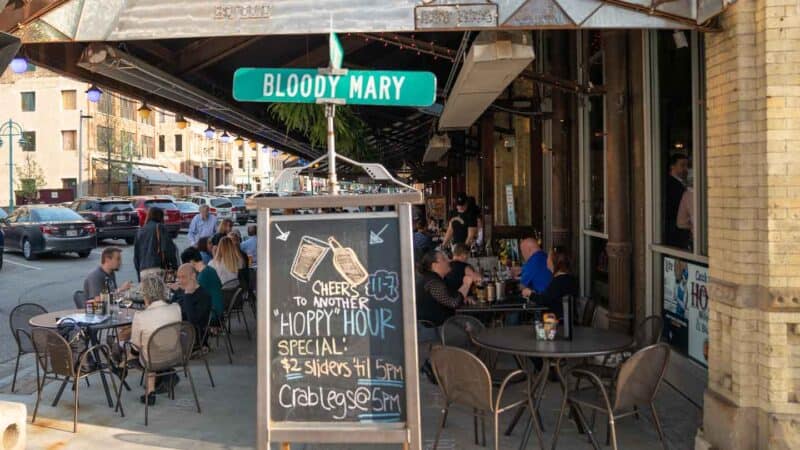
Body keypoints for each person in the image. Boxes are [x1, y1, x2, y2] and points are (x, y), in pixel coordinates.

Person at [129, 276, 181, 405]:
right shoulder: (176, 308)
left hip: (152, 361)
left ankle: (149, 390)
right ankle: (154, 387)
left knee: (138, 351)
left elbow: (135, 346)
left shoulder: (140, 316)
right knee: (152, 348)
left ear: (145, 294)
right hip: (175, 356)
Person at [416, 250, 476, 326]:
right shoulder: (433, 282)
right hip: (435, 330)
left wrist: (465, 296)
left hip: (441, 327)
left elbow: (452, 295)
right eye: (444, 259)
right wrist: (466, 284)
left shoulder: (435, 279)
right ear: (435, 265)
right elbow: (453, 302)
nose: (448, 261)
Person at [133, 207, 178, 281]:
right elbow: (169, 249)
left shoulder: (140, 231)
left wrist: (139, 274)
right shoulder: (160, 227)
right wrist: (175, 266)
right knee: (166, 292)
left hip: (143, 271)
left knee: (147, 292)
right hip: (159, 268)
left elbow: (136, 256)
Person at [181, 247, 224, 320]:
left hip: (212, 314)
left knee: (182, 313)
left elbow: (193, 297)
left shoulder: (202, 276)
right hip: (218, 309)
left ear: (191, 262)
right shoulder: (209, 269)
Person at [171, 263, 212, 337]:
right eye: (178, 278)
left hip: (192, 336)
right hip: (177, 330)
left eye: (183, 277)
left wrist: (187, 296)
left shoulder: (203, 295)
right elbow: (171, 307)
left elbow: (193, 322)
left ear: (193, 276)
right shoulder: (181, 291)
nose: (180, 281)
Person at [537, 249, 579, 320]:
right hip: (566, 320)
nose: (546, 260)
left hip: (559, 323)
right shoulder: (569, 278)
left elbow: (544, 300)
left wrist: (530, 294)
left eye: (548, 258)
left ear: (555, 261)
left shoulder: (559, 281)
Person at [665, 153, 691, 249]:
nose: (686, 169)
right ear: (672, 166)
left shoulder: (678, 184)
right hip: (675, 233)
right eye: (682, 165)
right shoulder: (674, 186)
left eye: (687, 166)